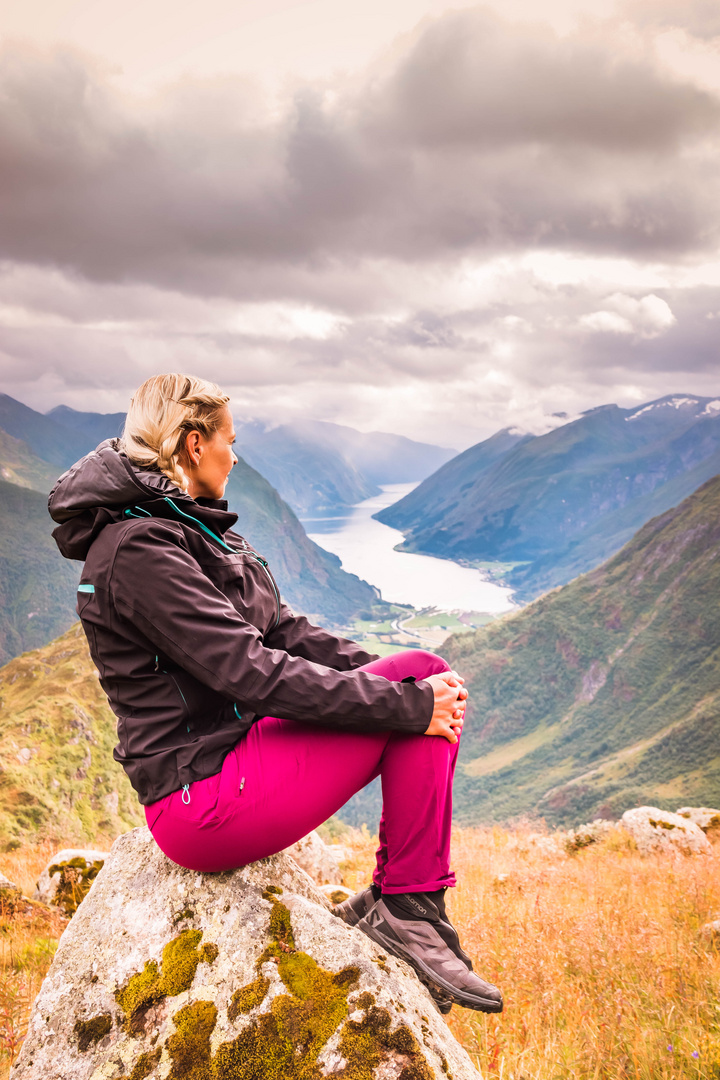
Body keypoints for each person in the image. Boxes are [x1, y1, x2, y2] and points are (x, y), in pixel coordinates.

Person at [49, 372, 502, 1015]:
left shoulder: (185, 526)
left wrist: (390, 675)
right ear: (193, 444)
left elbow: (283, 631)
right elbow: (250, 672)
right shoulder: (139, 549)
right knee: (416, 691)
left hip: (238, 753)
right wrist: (406, 705)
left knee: (423, 671)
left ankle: (405, 904)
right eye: (231, 442)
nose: (237, 456)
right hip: (201, 796)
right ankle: (408, 908)